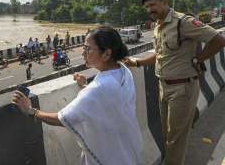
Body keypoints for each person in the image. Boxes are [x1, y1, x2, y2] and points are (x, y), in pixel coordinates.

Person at [123, 0, 225, 165]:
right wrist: (137, 63)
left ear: (165, 2)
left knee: (175, 138)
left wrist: (199, 58)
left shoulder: (183, 22)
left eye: (153, 5)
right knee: (167, 133)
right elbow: (160, 55)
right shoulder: (158, 26)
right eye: (147, 7)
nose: (150, 10)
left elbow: (218, 39)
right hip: (164, 86)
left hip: (182, 88)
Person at [13, 27, 143, 165]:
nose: (83, 53)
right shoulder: (123, 71)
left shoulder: (97, 89)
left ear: (106, 54)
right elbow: (107, 99)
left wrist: (31, 111)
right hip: (129, 149)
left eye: (87, 49)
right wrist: (85, 85)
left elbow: (62, 118)